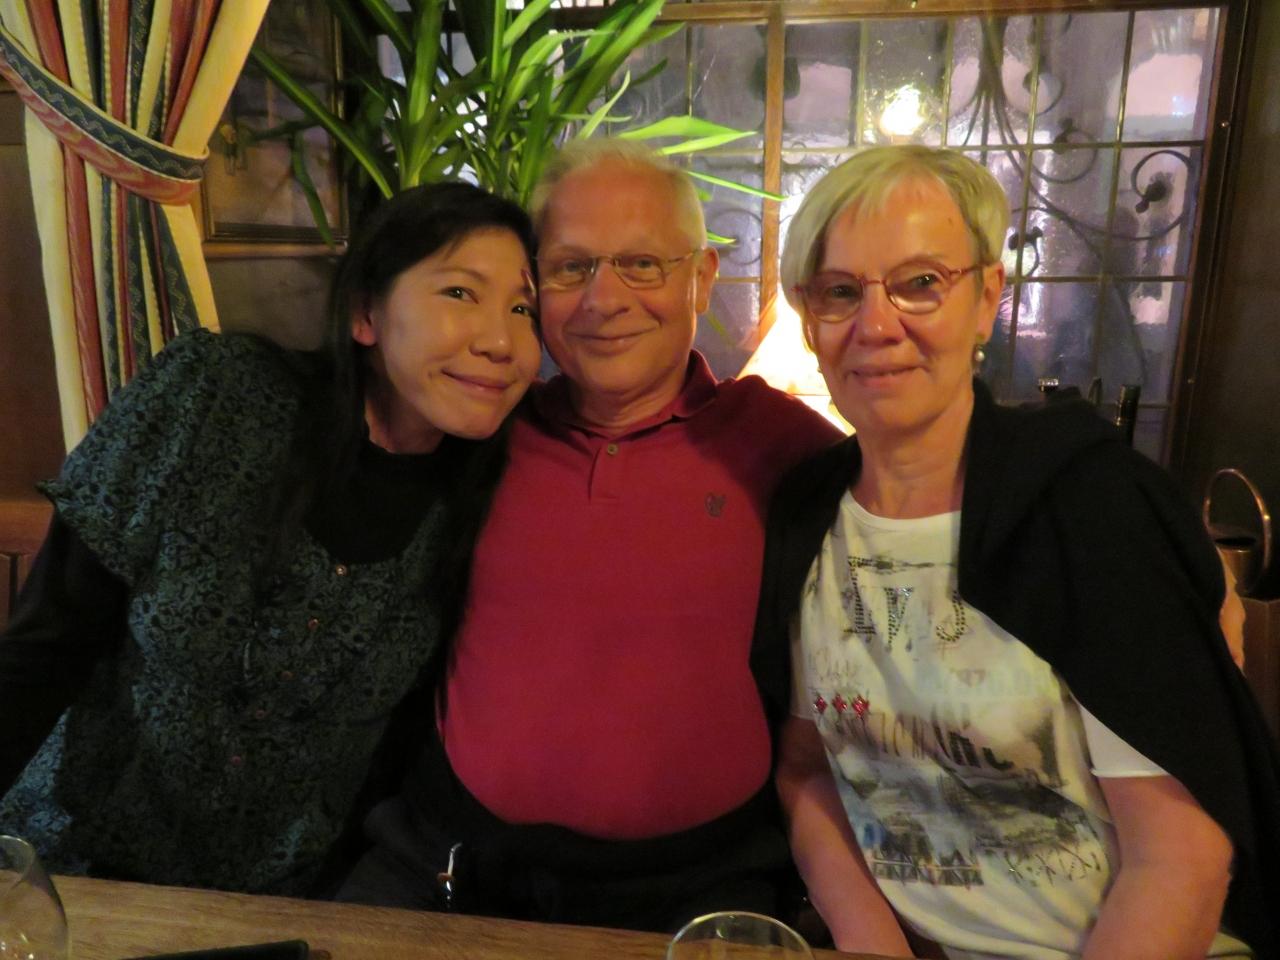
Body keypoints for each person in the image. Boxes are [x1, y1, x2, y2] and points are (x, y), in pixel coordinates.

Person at [766, 144, 1280, 959]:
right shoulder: (806, 514)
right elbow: (806, 772)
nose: (876, 325)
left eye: (921, 282)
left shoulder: (1089, 507)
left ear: (986, 298)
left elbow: (1181, 857)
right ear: (807, 315)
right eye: (838, 292)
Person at [340, 139, 843, 930]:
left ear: (701, 277)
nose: (603, 301)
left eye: (641, 264)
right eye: (572, 269)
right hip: (449, 860)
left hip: (700, 887)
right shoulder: (483, 431)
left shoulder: (787, 446)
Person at [0, 182, 542, 896]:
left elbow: (403, 754)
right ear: (365, 314)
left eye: (523, 309)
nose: (500, 341)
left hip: (280, 908)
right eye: (460, 293)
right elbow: (47, 644)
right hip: (73, 872)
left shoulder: (491, 503)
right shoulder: (213, 397)